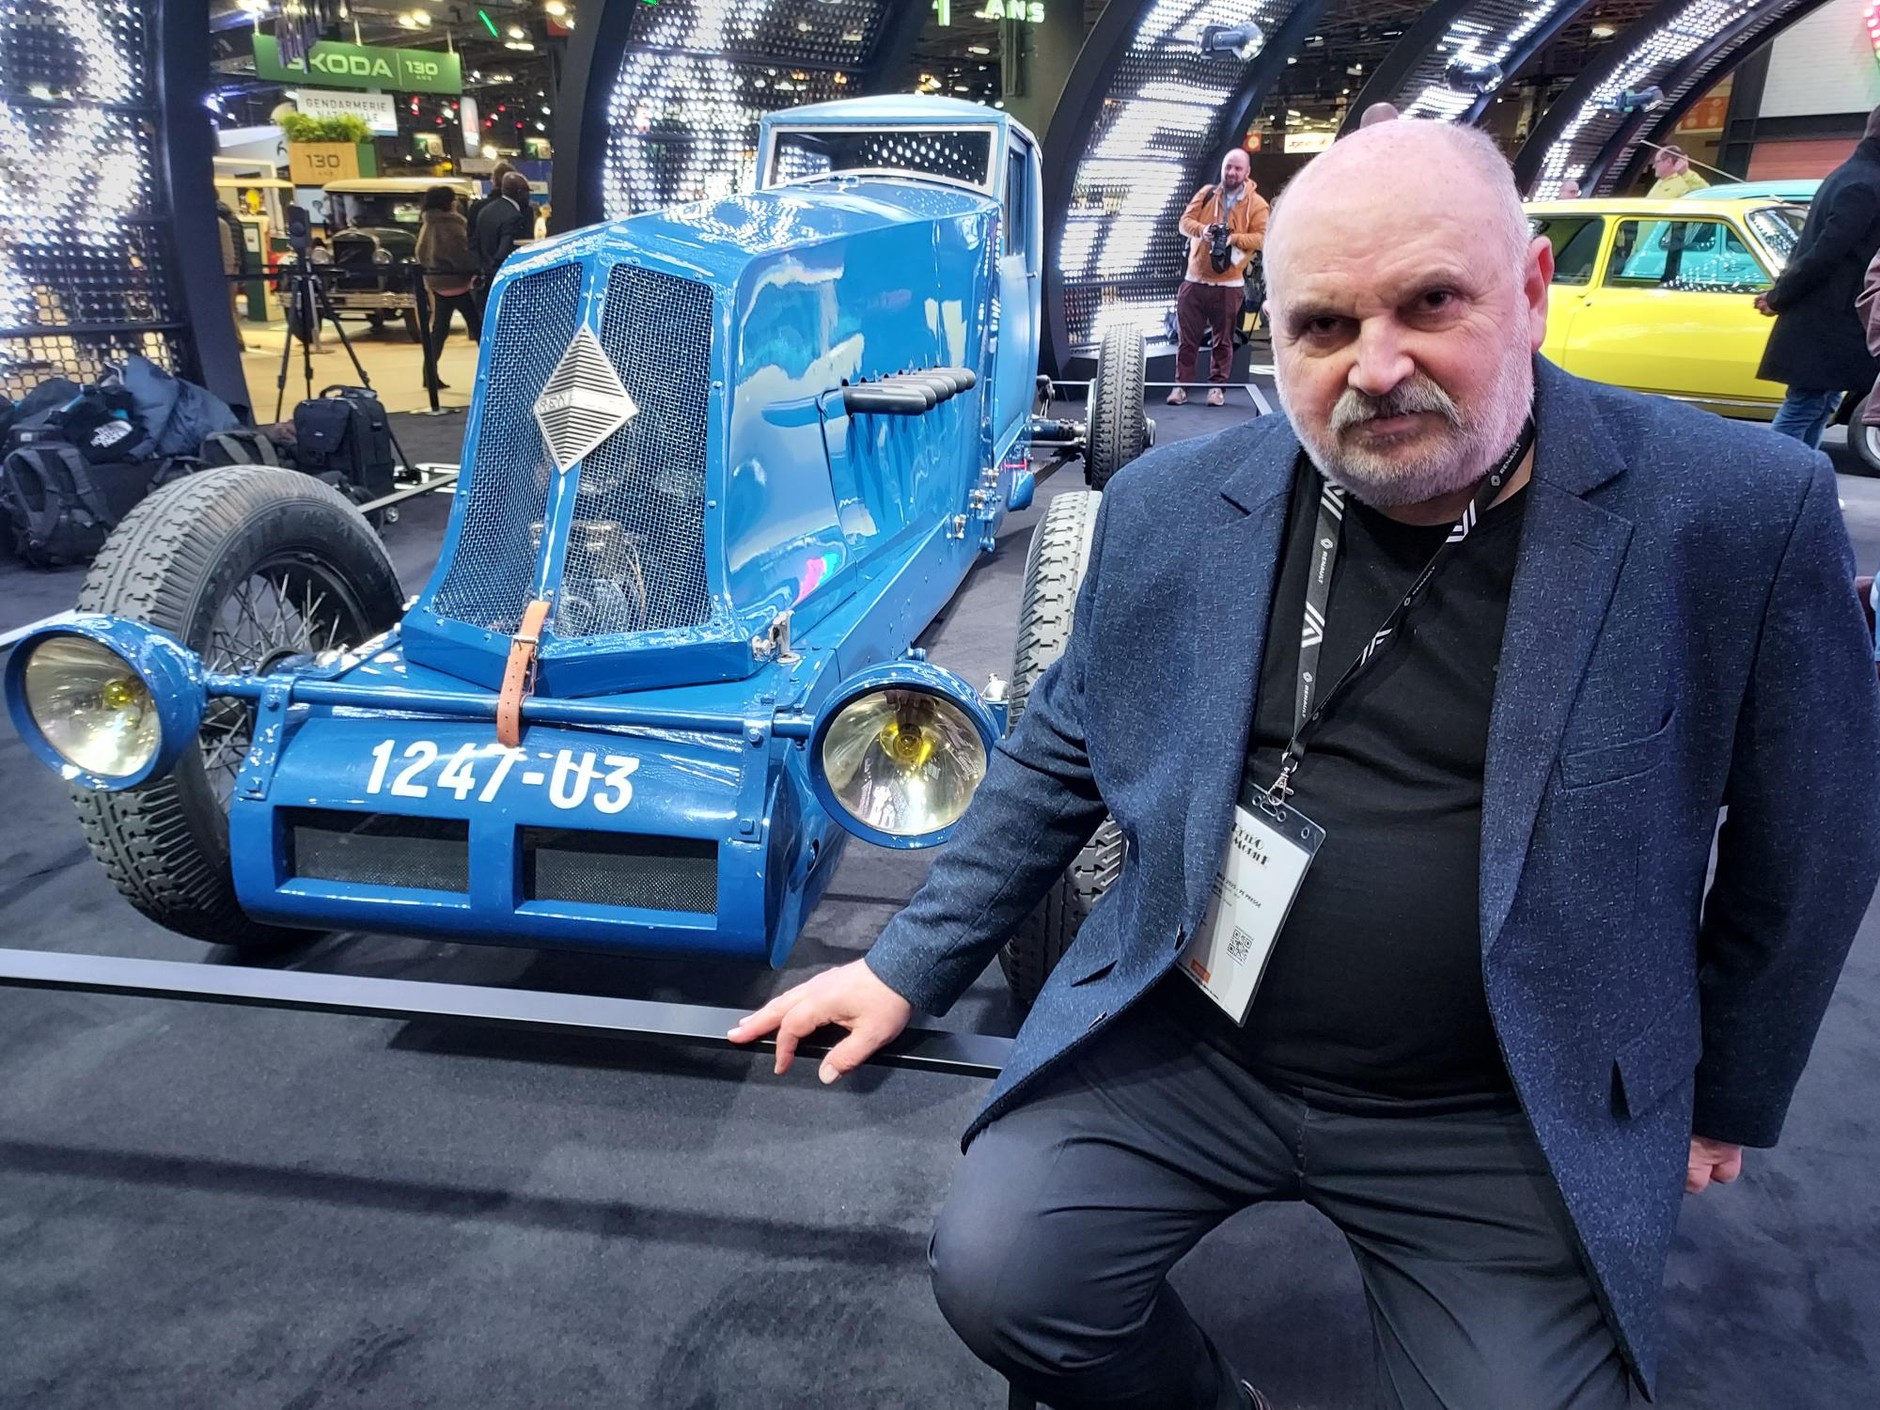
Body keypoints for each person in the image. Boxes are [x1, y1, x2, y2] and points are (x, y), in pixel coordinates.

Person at [729, 119, 1880, 1409]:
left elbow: (1812, 836)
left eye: (1429, 304)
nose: (1374, 368)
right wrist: (902, 963)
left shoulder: (1729, 511)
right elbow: (1062, 745)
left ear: (1530, 295)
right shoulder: (1175, 508)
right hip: (1191, 1037)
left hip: (1495, 1092)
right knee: (1006, 1276)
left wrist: (1728, 1086)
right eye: (1321, 326)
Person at [1755, 104, 1880, 448]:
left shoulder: (1852, 174)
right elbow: (1825, 254)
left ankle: (1799, 485)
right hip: (1829, 319)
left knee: (1818, 404)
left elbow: (1812, 249)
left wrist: (1780, 294)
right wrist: (1779, 296)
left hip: (1823, 316)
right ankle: (1775, 483)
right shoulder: (1866, 184)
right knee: (1806, 405)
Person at [1170, 149, 1269, 406]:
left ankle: (1217, 388)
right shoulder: (1206, 194)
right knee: (1186, 340)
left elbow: (1262, 237)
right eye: (1228, 167)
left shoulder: (1257, 204)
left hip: (1228, 284)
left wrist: (1232, 238)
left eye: (1237, 168)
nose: (1231, 173)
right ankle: (1181, 387)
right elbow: (1184, 223)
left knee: (1223, 341)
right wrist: (1204, 231)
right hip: (1194, 280)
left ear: (1247, 172)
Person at [414, 186, 479, 393]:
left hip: (437, 283)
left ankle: (428, 375)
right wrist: (472, 270)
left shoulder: (428, 223)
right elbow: (461, 252)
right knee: (477, 328)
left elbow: (420, 253)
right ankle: (496, 372)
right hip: (458, 282)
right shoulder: (453, 223)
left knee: (439, 331)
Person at [215, 200, 247, 350]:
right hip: (234, 268)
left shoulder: (216, 222)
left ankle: (236, 340)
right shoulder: (233, 218)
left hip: (223, 270)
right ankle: (236, 339)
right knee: (231, 307)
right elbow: (241, 246)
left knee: (225, 307)